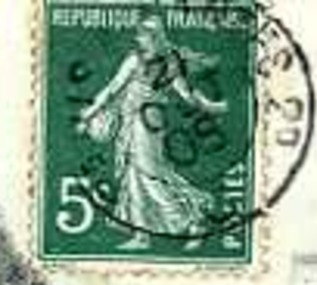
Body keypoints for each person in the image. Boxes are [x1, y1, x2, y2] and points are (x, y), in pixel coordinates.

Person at [74, 14, 229, 250]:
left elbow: (113, 90)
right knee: (133, 176)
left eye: (143, 36)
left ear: (153, 38)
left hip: (144, 121)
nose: (138, 39)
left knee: (149, 174)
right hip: (142, 120)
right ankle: (141, 235)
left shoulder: (142, 61)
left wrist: (89, 114)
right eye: (139, 35)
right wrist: (212, 106)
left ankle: (193, 221)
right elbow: (187, 96)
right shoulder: (166, 62)